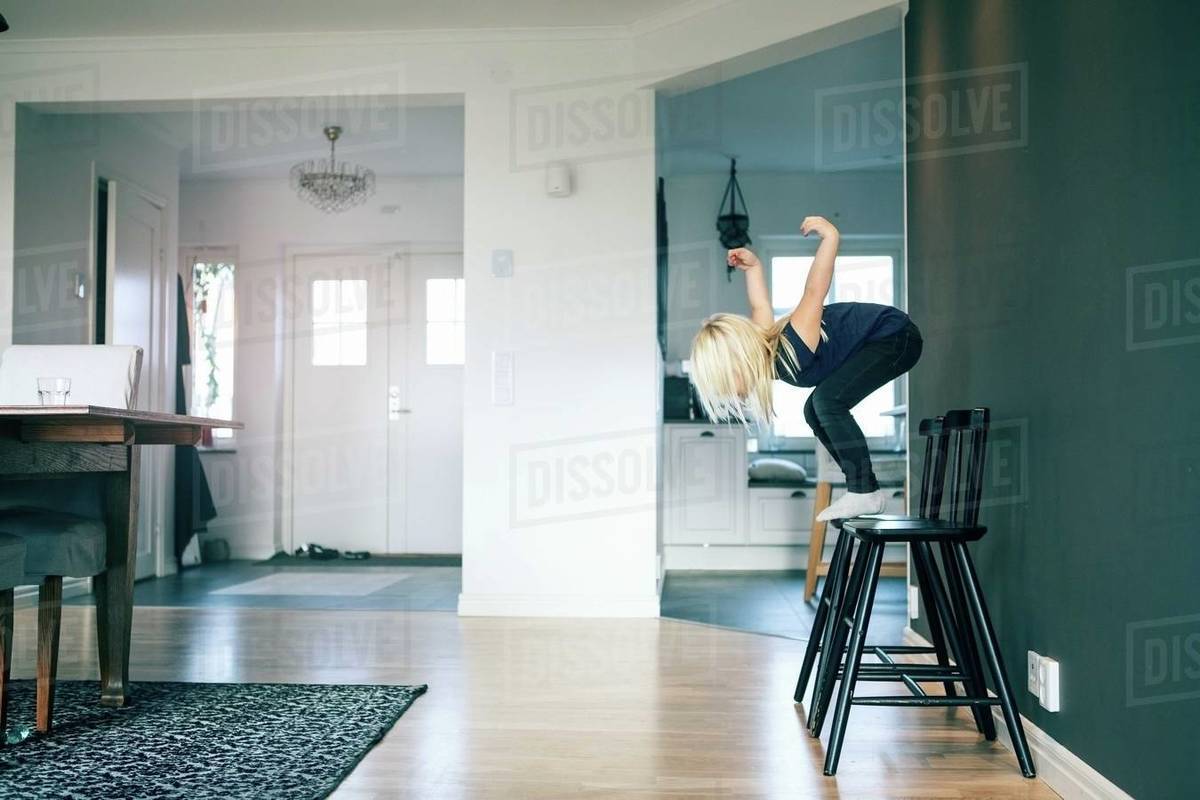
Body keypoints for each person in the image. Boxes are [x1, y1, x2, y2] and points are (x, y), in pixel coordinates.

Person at [689, 216, 922, 522]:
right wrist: (754, 266)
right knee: (814, 409)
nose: (729, 392)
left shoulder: (796, 340)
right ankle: (866, 490)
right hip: (881, 342)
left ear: (740, 358)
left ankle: (864, 491)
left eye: (726, 381)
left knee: (827, 401)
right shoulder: (766, 347)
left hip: (896, 337)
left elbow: (815, 290)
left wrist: (830, 237)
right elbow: (760, 305)